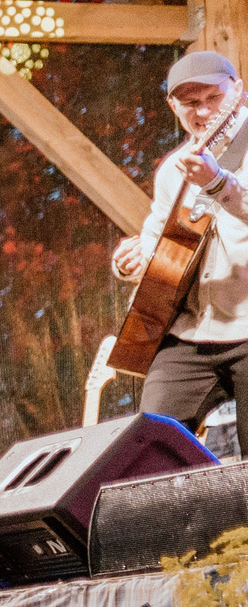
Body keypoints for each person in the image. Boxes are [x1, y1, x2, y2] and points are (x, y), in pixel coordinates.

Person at [109, 50, 248, 428]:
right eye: (190, 103)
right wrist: (131, 262)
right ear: (174, 108)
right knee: (149, 443)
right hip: (190, 335)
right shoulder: (174, 167)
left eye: (214, 97)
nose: (203, 111)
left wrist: (218, 183)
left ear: (238, 90)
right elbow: (158, 243)